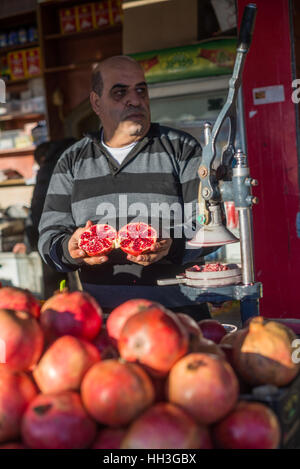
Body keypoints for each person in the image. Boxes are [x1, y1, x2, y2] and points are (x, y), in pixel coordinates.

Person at [38, 55, 217, 319]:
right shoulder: (72, 161)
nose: (135, 100)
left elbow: (212, 228)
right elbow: (47, 240)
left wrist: (173, 245)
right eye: (120, 92)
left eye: (141, 90)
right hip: (102, 326)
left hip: (183, 322)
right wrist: (70, 249)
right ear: (96, 103)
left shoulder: (182, 148)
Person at [14, 139, 76, 297]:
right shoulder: (77, 154)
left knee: (55, 284)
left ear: (42, 158)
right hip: (79, 231)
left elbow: (38, 207)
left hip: (57, 234)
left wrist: (29, 241)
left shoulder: (50, 166)